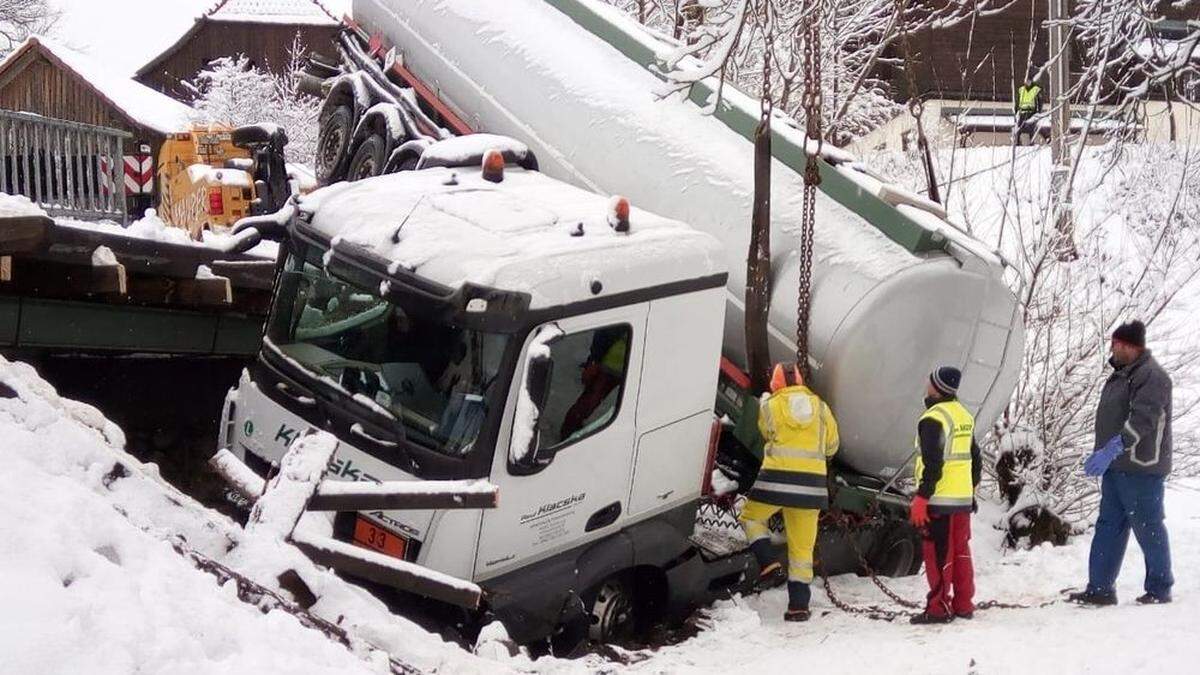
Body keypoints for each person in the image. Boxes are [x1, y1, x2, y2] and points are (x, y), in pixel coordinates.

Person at [1069, 320, 1174, 606]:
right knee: (1108, 526)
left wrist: (1114, 446)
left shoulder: (1152, 377)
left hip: (1142, 468)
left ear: (1129, 346)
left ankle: (1159, 587)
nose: (1111, 349)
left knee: (1147, 526)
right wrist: (1105, 452)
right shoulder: (1120, 375)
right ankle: (1100, 588)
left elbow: (1143, 419)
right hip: (1115, 467)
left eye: (1115, 344)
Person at [739, 362, 839, 622]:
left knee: (751, 517)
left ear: (776, 383)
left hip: (776, 480)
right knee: (802, 549)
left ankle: (768, 561)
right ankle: (798, 606)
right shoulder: (821, 407)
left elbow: (764, 432)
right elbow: (832, 446)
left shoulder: (769, 406)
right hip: (812, 488)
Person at [908, 366, 982, 625]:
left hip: (940, 500)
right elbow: (975, 458)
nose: (926, 383)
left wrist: (922, 496)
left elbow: (933, 463)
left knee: (938, 555)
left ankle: (938, 608)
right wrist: (971, 491)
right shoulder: (963, 415)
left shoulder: (933, 418)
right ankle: (963, 603)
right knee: (960, 552)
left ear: (936, 386)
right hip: (961, 499)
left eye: (930, 380)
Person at [560, 327, 628, 439]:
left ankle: (572, 427)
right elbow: (604, 332)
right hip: (607, 368)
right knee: (589, 401)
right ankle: (568, 432)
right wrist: (594, 361)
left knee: (592, 401)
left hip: (626, 368)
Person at [1014, 77, 1043, 145]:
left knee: (1031, 128)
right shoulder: (1021, 89)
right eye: (1026, 81)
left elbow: (1039, 102)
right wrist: (1016, 111)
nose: (1027, 82)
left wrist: (1038, 111)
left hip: (1031, 112)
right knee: (1019, 127)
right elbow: (1017, 101)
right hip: (1022, 111)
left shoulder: (1035, 89)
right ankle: (1018, 142)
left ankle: (1031, 142)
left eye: (1028, 81)